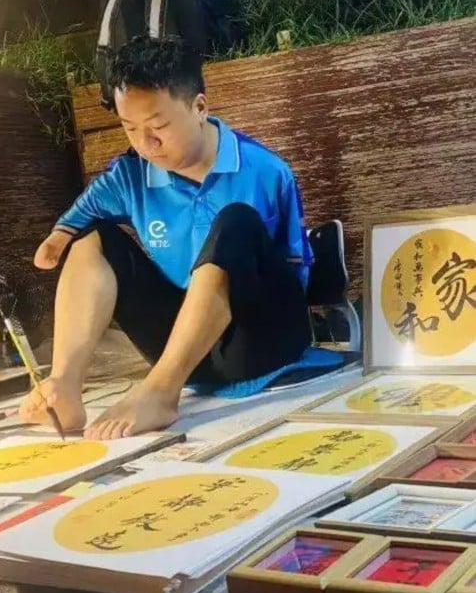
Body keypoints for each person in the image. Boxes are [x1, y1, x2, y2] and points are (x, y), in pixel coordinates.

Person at [19, 34, 314, 441]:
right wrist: (56, 240)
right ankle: (65, 387)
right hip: (185, 350)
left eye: (158, 126)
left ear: (199, 108)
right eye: (130, 128)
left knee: (236, 222)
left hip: (259, 341)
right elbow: (74, 222)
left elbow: (292, 275)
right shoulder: (129, 175)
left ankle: (159, 392)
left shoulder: (265, 170)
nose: (145, 144)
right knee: (93, 236)